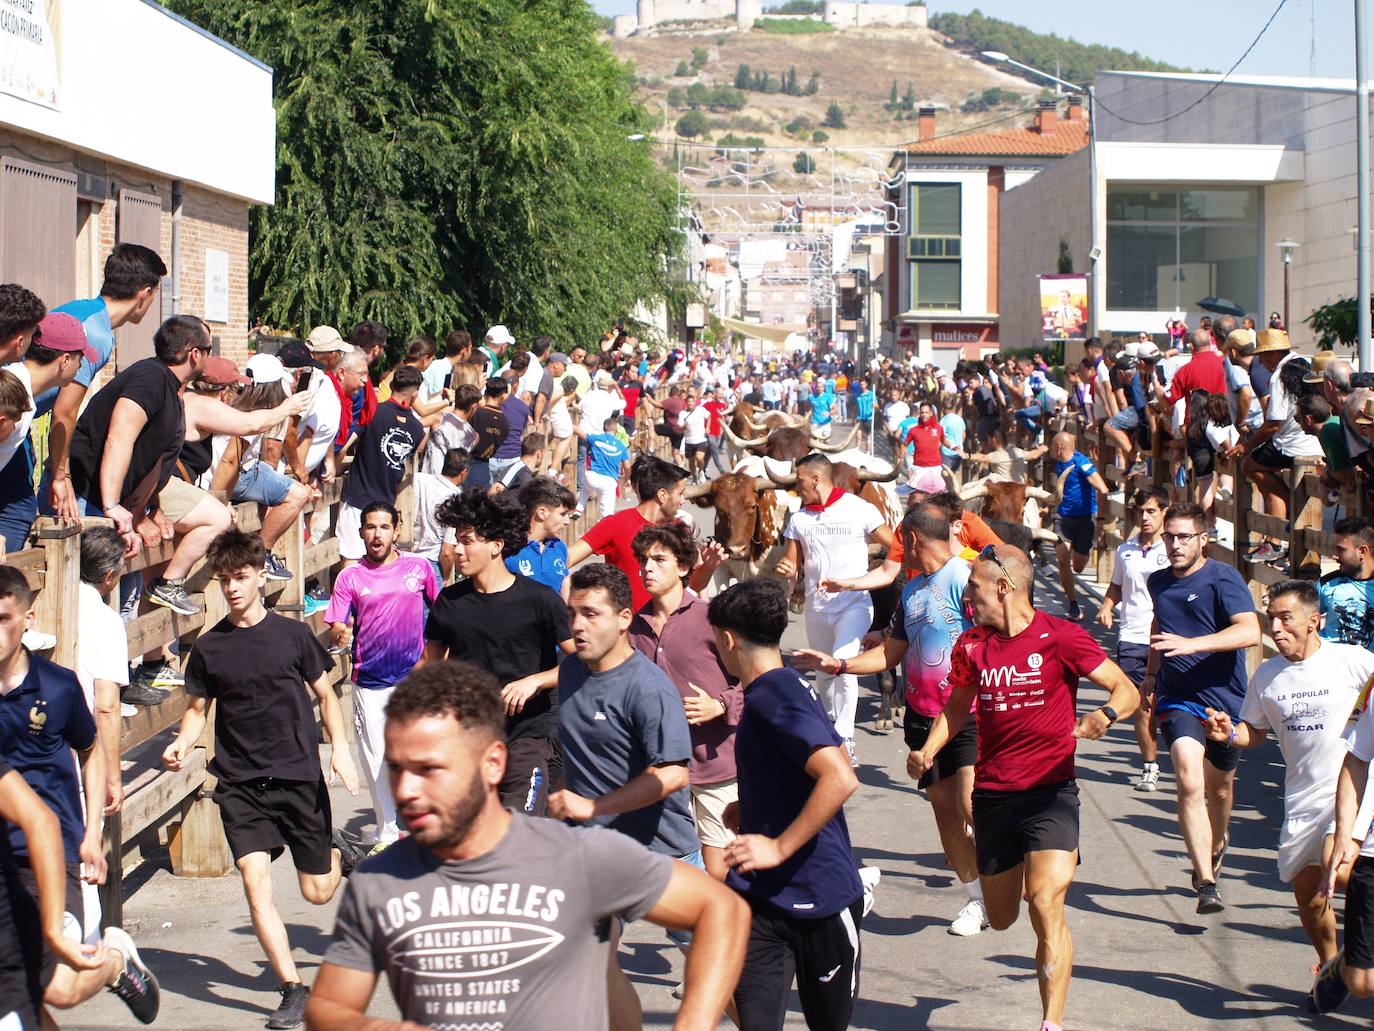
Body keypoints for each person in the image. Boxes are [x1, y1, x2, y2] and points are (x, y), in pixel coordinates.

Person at [305, 660, 748, 1028]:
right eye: (398, 769)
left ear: (493, 762)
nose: (407, 791)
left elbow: (721, 910)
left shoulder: (573, 857)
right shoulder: (379, 881)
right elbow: (327, 1008)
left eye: (430, 769)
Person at [910, 545, 1138, 1031]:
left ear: (1004, 587)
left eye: (973, 587)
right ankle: (989, 888)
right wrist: (929, 751)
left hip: (1050, 792)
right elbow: (957, 706)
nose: (967, 597)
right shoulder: (971, 644)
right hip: (993, 797)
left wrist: (1105, 714)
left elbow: (1127, 690)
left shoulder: (1061, 638)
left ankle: (1051, 1023)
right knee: (1004, 914)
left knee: (1045, 901)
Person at [162, 530, 363, 1029]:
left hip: (297, 775)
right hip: (240, 782)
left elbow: (326, 695)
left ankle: (340, 854)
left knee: (317, 892)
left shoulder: (293, 636)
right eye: (224, 580)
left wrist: (340, 750)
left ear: (259, 577)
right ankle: (292, 989)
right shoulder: (209, 649)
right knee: (255, 884)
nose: (232, 588)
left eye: (241, 578)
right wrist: (184, 741)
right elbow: (195, 709)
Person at [796, 504, 986, 936]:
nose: (896, 551)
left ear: (914, 539)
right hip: (921, 718)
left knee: (972, 806)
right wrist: (840, 666)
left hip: (967, 714)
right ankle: (978, 900)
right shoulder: (912, 591)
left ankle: (1007, 870)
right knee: (947, 817)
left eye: (901, 542)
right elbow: (891, 653)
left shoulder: (967, 578)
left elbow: (998, 634)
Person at [0, 563, 162, 1026]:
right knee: (20, 996)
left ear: (27, 619)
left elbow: (89, 751)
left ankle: (114, 961)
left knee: (57, 988)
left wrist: (93, 832)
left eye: (3, 618)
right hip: (3, 862)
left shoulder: (58, 685)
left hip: (52, 854)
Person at [707, 578, 867, 1031]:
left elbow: (839, 777)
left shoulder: (773, 696)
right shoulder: (786, 685)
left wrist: (777, 846)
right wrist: (758, 803)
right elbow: (818, 759)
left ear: (728, 638)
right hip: (759, 900)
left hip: (820, 900)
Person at [549, 563, 702, 1030]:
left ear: (623, 619)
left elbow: (674, 773)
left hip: (663, 852)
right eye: (573, 613)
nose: (577, 625)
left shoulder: (647, 687)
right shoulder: (572, 671)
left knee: (717, 974)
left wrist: (595, 806)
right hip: (597, 853)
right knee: (587, 962)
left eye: (591, 614)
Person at [1200, 580, 1374, 970]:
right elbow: (1254, 732)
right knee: (1309, 896)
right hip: (1302, 796)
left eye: (1285, 618)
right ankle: (1331, 967)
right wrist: (1228, 732)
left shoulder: (1354, 661)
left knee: (1340, 865)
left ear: (1314, 621)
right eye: (1271, 619)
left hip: (1357, 787)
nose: (1275, 628)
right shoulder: (1267, 676)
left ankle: (1363, 946)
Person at [421, 490, 573, 817]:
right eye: (456, 541)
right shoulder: (449, 602)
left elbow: (581, 662)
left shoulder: (541, 600)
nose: (457, 550)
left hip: (529, 738)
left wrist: (535, 681)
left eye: (467, 540)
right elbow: (431, 670)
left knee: (519, 828)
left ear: (496, 546)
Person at [49, 316, 211, 615]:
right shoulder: (151, 377)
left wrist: (145, 511)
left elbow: (154, 466)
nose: (208, 357)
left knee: (128, 591)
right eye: (209, 349)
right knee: (82, 597)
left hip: (115, 506)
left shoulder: (173, 395)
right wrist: (112, 505)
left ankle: (121, 663)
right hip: (87, 497)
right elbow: (120, 436)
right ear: (194, 353)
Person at [1144, 501, 1261, 915]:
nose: (1174, 545)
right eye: (1169, 536)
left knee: (1220, 789)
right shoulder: (1158, 581)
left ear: (1203, 539)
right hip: (1178, 699)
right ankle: (1206, 883)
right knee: (1190, 781)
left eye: (1183, 537)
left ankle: (1217, 843)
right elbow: (1160, 626)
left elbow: (1250, 631)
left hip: (1224, 703)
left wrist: (1193, 644)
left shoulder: (1223, 578)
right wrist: (1153, 674)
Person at [629, 522, 741, 882]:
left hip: (716, 764)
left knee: (719, 872)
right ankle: (699, 936)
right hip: (659, 771)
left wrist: (721, 705)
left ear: (682, 567)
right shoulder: (632, 629)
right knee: (675, 874)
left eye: (659, 560)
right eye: (643, 560)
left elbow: (760, 681)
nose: (647, 568)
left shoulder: (713, 619)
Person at [327, 504, 439, 850]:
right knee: (376, 757)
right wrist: (340, 633)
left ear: (397, 529)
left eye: (384, 527)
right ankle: (388, 830)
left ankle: (433, 819)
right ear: (361, 532)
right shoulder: (350, 577)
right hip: (371, 679)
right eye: (371, 527)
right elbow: (336, 624)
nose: (377, 534)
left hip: (415, 678)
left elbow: (445, 613)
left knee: (422, 752)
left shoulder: (419, 568)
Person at [775, 452, 892, 765]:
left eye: (799, 482)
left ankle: (846, 738)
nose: (796, 489)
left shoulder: (860, 509)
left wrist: (879, 576)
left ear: (815, 478)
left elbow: (896, 545)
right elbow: (792, 562)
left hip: (853, 604)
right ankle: (830, 730)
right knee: (824, 675)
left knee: (843, 663)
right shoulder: (799, 519)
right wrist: (788, 568)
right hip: (817, 608)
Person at [43, 244, 167, 523]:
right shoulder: (96, 334)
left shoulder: (81, 310)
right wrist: (61, 478)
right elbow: (64, 411)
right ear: (145, 294)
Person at [0, 312, 97, 552]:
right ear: (64, 360)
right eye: (80, 357)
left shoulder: (19, 392)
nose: (82, 365)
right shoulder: (12, 401)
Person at [1096, 485, 1171, 792]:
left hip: (1169, 637)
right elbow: (1117, 586)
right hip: (1132, 636)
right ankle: (1150, 766)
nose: (1145, 518)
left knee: (1169, 707)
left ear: (1164, 512)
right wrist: (1106, 605)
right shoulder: (1125, 550)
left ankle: (1188, 757)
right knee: (1144, 704)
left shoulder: (1173, 550)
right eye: (1140, 512)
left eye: (1151, 511)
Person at [568, 454, 700, 612]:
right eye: (680, 494)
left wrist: (708, 568)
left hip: (672, 629)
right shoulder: (615, 524)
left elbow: (695, 584)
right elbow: (566, 558)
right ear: (662, 495)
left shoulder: (679, 529)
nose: (683, 500)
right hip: (626, 631)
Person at [1241, 329, 1324, 567]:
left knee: (1249, 464)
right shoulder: (1306, 363)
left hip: (1290, 444)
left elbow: (1273, 424)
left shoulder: (1279, 376)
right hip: (1315, 440)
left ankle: (1287, 515)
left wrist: (1246, 446)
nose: (1262, 363)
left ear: (1274, 353)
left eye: (1264, 356)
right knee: (1267, 480)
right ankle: (1275, 540)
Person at [337, 364, 426, 568]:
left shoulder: (373, 411)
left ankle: (349, 600)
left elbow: (344, 444)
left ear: (391, 385)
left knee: (351, 558)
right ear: (415, 394)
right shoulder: (417, 428)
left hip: (357, 496)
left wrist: (335, 466)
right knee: (379, 562)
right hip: (386, 504)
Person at [1049, 431, 1109, 621]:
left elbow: (1103, 488)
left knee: (1079, 567)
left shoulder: (1082, 463)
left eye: (1052, 445)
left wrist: (1101, 519)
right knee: (1062, 557)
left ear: (1059, 448)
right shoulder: (1059, 461)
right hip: (1063, 518)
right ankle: (1073, 605)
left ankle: (1080, 553)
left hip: (1084, 520)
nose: (1051, 449)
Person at [504, 475, 574, 596]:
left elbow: (564, 585)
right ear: (542, 513)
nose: (567, 522)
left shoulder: (559, 547)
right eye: (563, 514)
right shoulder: (509, 549)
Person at [411, 447, 468, 580]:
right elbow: (447, 552)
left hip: (404, 556)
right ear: (464, 472)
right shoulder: (456, 497)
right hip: (430, 563)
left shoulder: (418, 479)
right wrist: (446, 578)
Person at [1319, 517, 1374, 651]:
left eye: (1341, 550)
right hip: (1332, 666)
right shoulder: (1327, 583)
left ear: (1362, 551)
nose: (1334, 555)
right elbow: (1305, 619)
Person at [576, 413, 631, 518]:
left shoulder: (596, 438)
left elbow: (580, 432)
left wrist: (571, 426)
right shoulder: (621, 446)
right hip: (608, 482)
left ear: (603, 428)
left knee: (585, 490)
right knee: (607, 515)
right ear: (617, 430)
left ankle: (578, 509)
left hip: (591, 476)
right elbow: (627, 467)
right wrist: (627, 479)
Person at [467, 376, 510, 491]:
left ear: (485, 393)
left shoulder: (476, 413)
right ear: (503, 396)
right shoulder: (505, 422)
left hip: (466, 463)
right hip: (484, 466)